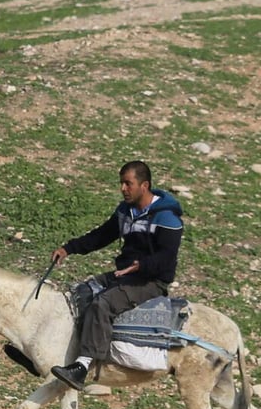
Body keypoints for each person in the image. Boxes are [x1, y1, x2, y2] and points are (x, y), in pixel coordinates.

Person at [50, 160, 183, 390]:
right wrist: (69, 248)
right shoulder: (125, 212)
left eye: (128, 184)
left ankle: (83, 367)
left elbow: (167, 258)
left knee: (102, 304)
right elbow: (102, 235)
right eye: (121, 183)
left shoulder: (167, 217)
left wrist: (139, 266)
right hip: (126, 275)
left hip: (150, 281)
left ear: (144, 185)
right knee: (80, 293)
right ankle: (57, 355)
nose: (123, 189)